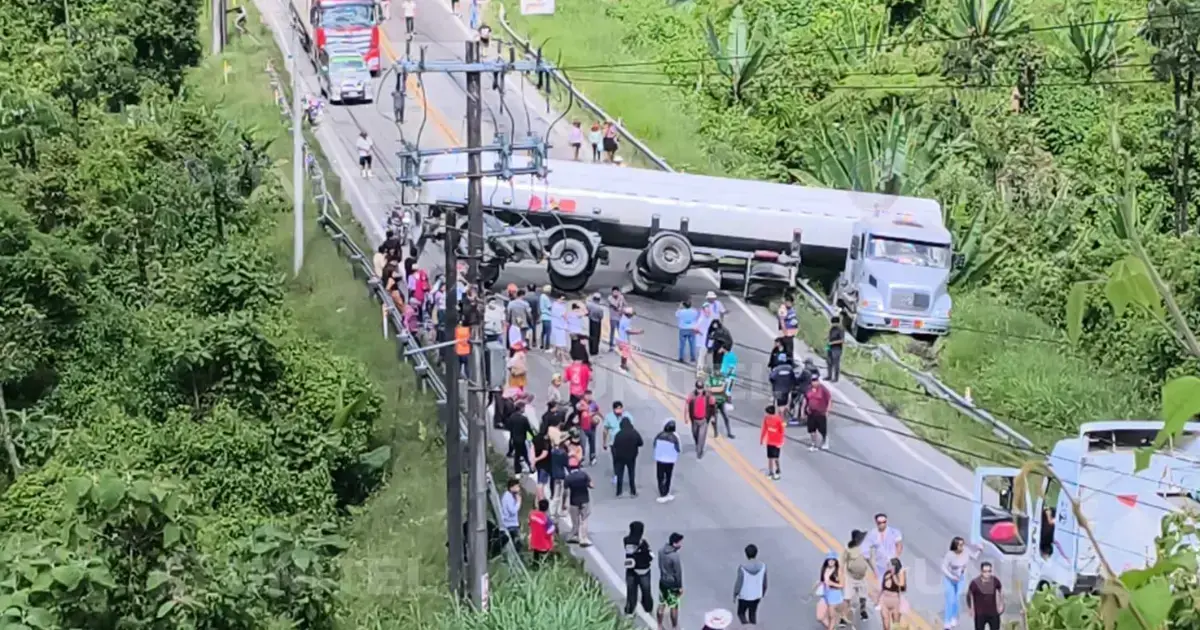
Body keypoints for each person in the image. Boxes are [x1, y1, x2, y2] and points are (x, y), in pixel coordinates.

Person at [943, 536, 982, 629]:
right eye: (960, 545)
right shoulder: (950, 555)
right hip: (950, 579)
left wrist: (980, 550)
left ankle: (954, 617)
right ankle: (947, 621)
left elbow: (974, 557)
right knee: (950, 599)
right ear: (955, 546)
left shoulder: (966, 551)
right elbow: (944, 567)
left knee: (957, 598)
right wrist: (951, 577)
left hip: (960, 579)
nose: (962, 546)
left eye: (963, 544)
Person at [623, 521, 655, 616]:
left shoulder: (626, 540)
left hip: (631, 570)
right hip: (644, 571)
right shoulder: (643, 543)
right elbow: (649, 556)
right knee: (646, 591)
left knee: (631, 592)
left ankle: (629, 610)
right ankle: (648, 607)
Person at [733, 544, 768, 626]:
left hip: (744, 596)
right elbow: (765, 583)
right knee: (752, 614)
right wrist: (762, 593)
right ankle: (753, 627)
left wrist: (735, 593)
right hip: (756, 596)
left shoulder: (742, 567)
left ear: (746, 554)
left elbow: (739, 583)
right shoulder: (763, 566)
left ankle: (746, 626)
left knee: (741, 613)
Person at [867, 513, 904, 588]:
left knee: (896, 584)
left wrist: (896, 557)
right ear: (876, 522)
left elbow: (899, 545)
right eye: (880, 523)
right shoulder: (872, 534)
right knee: (882, 586)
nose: (882, 524)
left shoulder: (894, 532)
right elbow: (868, 549)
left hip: (892, 562)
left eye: (884, 522)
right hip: (880, 564)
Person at [842, 529, 871, 621]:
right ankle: (843, 617)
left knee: (863, 596)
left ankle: (863, 611)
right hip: (851, 578)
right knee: (847, 598)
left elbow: (869, 560)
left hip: (862, 577)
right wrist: (840, 575)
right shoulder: (848, 549)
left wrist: (875, 571)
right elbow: (842, 561)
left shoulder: (864, 549)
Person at [657, 533, 684, 630]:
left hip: (662, 582)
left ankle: (659, 625)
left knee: (661, 603)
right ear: (674, 543)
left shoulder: (661, 551)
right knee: (674, 606)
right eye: (680, 542)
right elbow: (678, 573)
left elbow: (660, 565)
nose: (681, 544)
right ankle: (674, 626)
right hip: (672, 585)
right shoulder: (674, 556)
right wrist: (679, 587)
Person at [564, 457, 593, 547]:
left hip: (573, 501)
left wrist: (563, 503)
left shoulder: (568, 478)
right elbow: (592, 485)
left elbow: (565, 492)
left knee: (575, 521)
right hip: (584, 500)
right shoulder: (583, 475)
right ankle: (583, 538)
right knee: (584, 520)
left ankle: (574, 535)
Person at [611, 416, 643, 497]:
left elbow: (615, 445)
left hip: (620, 457)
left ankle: (619, 492)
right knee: (631, 474)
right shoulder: (634, 433)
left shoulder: (618, 434)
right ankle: (633, 492)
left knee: (620, 475)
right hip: (631, 457)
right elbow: (641, 443)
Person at [967, 561, 1004, 630]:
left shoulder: (995, 580)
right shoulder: (975, 583)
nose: (987, 573)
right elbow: (969, 595)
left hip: (993, 613)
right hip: (980, 614)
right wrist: (970, 608)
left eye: (989, 571)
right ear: (981, 571)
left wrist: (1001, 604)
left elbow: (1001, 590)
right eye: (985, 571)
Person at [685, 380, 716, 459]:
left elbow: (713, 406)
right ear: (696, 387)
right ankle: (698, 445)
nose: (700, 390)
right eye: (698, 388)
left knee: (701, 437)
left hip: (704, 420)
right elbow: (687, 404)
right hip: (694, 420)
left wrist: (712, 417)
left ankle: (699, 452)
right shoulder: (692, 395)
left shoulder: (707, 395)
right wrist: (686, 416)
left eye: (701, 388)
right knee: (695, 435)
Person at [815, 553, 846, 630]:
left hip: (834, 596)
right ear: (827, 560)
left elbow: (842, 585)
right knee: (819, 617)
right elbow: (824, 580)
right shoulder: (825, 569)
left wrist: (832, 583)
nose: (831, 562)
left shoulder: (838, 571)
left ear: (835, 561)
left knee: (832, 617)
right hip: (825, 594)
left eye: (833, 560)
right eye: (829, 560)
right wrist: (819, 583)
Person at [653, 420, 681, 503]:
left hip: (660, 458)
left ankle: (661, 491)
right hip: (670, 460)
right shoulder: (674, 437)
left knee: (660, 476)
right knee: (668, 476)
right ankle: (666, 491)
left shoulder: (659, 435)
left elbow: (654, 444)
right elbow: (678, 449)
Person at [804, 373, 832, 451]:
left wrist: (828, 410)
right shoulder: (809, 389)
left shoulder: (823, 389)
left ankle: (825, 441)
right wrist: (804, 409)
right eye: (813, 381)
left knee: (822, 429)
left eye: (816, 381)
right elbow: (806, 399)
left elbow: (829, 400)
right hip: (811, 412)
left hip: (820, 413)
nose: (814, 383)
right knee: (812, 430)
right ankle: (814, 444)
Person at [877, 558, 907, 630]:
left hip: (895, 601)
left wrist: (897, 574)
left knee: (896, 624)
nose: (888, 566)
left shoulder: (899, 575)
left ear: (894, 566)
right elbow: (883, 587)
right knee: (886, 623)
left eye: (890, 565)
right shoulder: (887, 573)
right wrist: (878, 599)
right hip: (884, 599)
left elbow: (902, 586)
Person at [507, 400, 533, 475]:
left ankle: (517, 470)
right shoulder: (523, 419)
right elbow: (528, 429)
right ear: (521, 408)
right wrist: (534, 436)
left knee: (517, 455)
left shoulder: (511, 417)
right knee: (525, 454)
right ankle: (530, 468)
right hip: (522, 439)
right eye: (524, 408)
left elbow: (508, 427)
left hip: (514, 439)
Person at [759, 405, 785, 480]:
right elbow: (764, 429)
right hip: (770, 441)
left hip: (777, 442)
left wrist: (781, 441)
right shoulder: (766, 419)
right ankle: (771, 472)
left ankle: (778, 469)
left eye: (767, 413)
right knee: (770, 457)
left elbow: (782, 431)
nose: (766, 414)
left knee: (776, 457)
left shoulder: (778, 420)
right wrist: (762, 439)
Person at [615, 306, 643, 373]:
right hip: (624, 340)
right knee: (625, 354)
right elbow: (628, 331)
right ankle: (623, 366)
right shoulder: (626, 321)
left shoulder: (623, 317)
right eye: (632, 315)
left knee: (624, 353)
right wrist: (638, 332)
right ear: (629, 315)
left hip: (620, 339)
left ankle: (623, 365)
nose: (632, 316)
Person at [528, 498, 555, 566]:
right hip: (544, 545)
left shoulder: (532, 515)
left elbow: (530, 525)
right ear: (547, 508)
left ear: (538, 506)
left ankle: (534, 567)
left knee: (536, 559)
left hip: (534, 543)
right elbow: (549, 534)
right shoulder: (548, 520)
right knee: (544, 562)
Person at [499, 477, 522, 551]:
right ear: (511, 488)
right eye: (517, 487)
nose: (519, 488)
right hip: (510, 525)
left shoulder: (511, 496)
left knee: (517, 545)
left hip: (512, 524)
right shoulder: (507, 496)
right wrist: (518, 502)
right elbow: (512, 511)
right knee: (516, 546)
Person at [550, 294, 570, 366]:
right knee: (561, 346)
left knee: (556, 345)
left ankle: (555, 359)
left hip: (555, 326)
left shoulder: (554, 305)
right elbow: (565, 316)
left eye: (564, 299)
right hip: (560, 327)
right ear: (558, 299)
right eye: (562, 299)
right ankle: (563, 361)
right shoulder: (560, 307)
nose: (563, 301)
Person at [607, 287, 626, 352]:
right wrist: (620, 298)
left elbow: (625, 305)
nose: (615, 293)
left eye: (616, 292)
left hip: (620, 318)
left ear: (618, 292)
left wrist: (623, 310)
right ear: (612, 292)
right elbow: (616, 306)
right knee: (612, 331)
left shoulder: (621, 297)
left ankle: (621, 345)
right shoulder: (610, 298)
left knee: (620, 331)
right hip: (613, 317)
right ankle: (611, 346)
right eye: (614, 292)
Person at [827, 315, 844, 382]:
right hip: (829, 347)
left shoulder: (841, 330)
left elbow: (842, 340)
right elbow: (830, 336)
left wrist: (832, 343)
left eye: (833, 323)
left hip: (837, 349)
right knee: (828, 361)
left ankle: (836, 378)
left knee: (836, 363)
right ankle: (829, 376)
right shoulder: (832, 328)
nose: (832, 324)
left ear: (837, 323)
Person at [539, 285, 553, 350]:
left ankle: (541, 344)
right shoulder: (546, 298)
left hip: (543, 316)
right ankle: (547, 346)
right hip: (548, 317)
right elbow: (549, 307)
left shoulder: (541, 296)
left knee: (543, 332)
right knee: (548, 332)